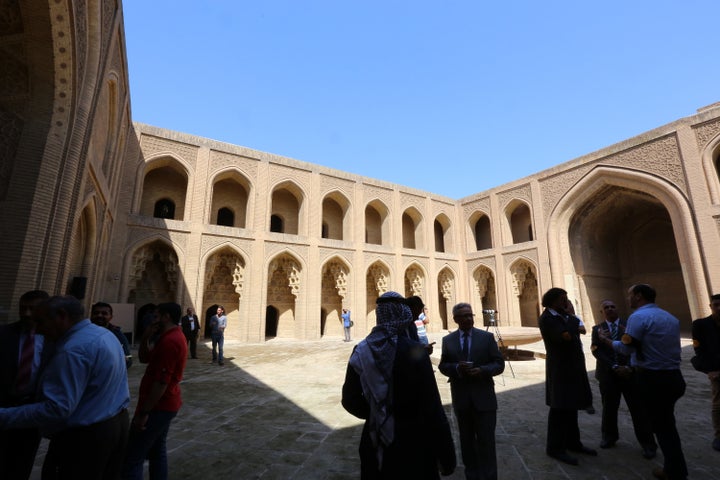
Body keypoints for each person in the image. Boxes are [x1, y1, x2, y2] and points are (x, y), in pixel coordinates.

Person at [0, 295, 130, 479]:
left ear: (61, 316)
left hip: (85, 437)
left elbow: (57, 408)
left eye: (41, 321)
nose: (37, 329)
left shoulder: (74, 349)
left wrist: (4, 416)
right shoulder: (104, 335)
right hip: (114, 424)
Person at [342, 291, 456, 479]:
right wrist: (446, 454)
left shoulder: (362, 350)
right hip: (413, 439)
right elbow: (432, 406)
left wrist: (376, 412)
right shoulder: (415, 350)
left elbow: (349, 400)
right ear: (402, 314)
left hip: (376, 439)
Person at [605, 284, 688, 480]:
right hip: (674, 377)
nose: (628, 299)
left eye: (630, 295)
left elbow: (627, 348)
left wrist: (608, 342)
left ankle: (675, 471)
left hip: (653, 379)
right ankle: (675, 466)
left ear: (639, 296)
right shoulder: (670, 317)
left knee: (663, 427)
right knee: (667, 423)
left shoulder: (638, 317)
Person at [122, 302, 188, 480]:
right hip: (165, 404)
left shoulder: (171, 341)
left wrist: (145, 412)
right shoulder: (165, 338)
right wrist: (145, 337)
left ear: (166, 317)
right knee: (157, 451)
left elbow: (161, 382)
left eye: (156, 316)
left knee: (133, 457)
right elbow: (144, 358)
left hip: (159, 405)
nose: (153, 319)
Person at [439, 302, 504, 480]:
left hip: (484, 398)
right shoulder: (448, 340)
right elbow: (443, 365)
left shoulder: (486, 338)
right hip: (462, 399)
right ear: (455, 319)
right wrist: (457, 369)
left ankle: (489, 476)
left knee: (486, 441)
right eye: (464, 316)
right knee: (466, 441)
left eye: (470, 315)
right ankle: (472, 474)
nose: (468, 319)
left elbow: (499, 364)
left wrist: (482, 371)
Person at [590, 299, 656, 458]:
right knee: (609, 408)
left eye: (613, 306)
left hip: (630, 374)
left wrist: (628, 367)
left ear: (617, 309)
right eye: (606, 307)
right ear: (602, 312)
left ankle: (648, 443)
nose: (610, 309)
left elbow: (637, 348)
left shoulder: (629, 326)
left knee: (638, 409)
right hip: (608, 374)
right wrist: (614, 366)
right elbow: (596, 351)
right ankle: (609, 437)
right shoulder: (597, 329)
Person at [538, 287, 596, 466]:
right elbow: (567, 336)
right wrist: (571, 316)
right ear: (553, 300)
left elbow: (582, 330)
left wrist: (571, 319)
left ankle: (573, 443)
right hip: (560, 370)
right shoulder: (548, 318)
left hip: (572, 368)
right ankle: (555, 448)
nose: (566, 302)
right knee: (559, 409)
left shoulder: (561, 317)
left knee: (570, 407)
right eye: (564, 299)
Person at [0, 290, 50, 480]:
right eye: (23, 308)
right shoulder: (4, 334)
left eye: (32, 309)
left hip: (32, 408)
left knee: (22, 461)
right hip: (4, 403)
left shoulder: (52, 339)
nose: (26, 314)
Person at [690, 293, 720, 452]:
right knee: (718, 404)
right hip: (716, 370)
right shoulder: (701, 325)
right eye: (716, 305)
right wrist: (710, 370)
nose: (719, 308)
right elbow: (699, 349)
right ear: (710, 306)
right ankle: (719, 435)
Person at [92, 301, 133, 368]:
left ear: (110, 317)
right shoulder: (84, 332)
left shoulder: (117, 335)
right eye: (96, 313)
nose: (99, 315)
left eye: (104, 313)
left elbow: (128, 359)